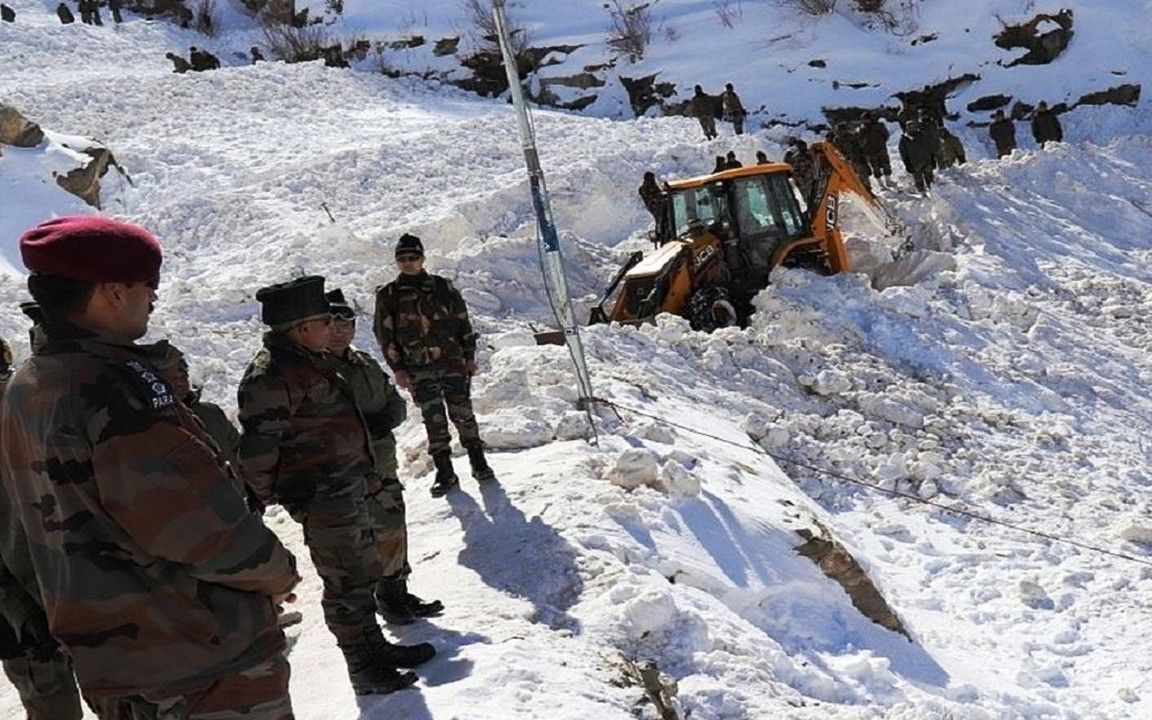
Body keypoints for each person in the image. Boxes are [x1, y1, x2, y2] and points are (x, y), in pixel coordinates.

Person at [0, 215, 301, 718]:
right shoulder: (113, 388)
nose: (153, 297)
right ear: (112, 292)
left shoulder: (28, 385)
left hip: (114, 666)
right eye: (147, 285)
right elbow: (197, 528)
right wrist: (276, 572)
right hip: (197, 661)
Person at [237, 275, 432, 695]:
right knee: (346, 587)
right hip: (323, 496)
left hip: (349, 489)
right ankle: (365, 671)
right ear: (301, 326)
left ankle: (377, 651)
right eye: (325, 320)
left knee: (361, 578)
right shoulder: (271, 377)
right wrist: (285, 497)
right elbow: (258, 451)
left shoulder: (310, 361)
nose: (333, 327)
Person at [325, 290, 444, 626]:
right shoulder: (319, 371)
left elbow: (396, 403)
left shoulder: (363, 363)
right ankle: (383, 600)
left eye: (347, 324)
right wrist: (364, 424)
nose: (341, 331)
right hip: (351, 471)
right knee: (369, 537)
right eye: (333, 324)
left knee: (394, 527)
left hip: (383, 463)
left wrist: (382, 420)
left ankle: (397, 592)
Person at [374, 235, 496, 498]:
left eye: (413, 257)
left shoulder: (443, 287)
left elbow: (462, 323)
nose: (408, 263)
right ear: (397, 262)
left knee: (463, 413)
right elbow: (385, 335)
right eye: (402, 259)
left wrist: (469, 356)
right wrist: (398, 368)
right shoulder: (389, 295)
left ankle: (478, 461)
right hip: (418, 368)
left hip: (452, 362)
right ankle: (444, 470)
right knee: (433, 419)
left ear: (422, 258)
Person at [898, 120, 934, 193]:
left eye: (914, 127)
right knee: (918, 180)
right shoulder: (904, 140)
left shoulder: (922, 135)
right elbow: (903, 153)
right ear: (907, 128)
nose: (912, 128)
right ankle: (922, 193)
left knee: (930, 178)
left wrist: (932, 158)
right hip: (914, 163)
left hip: (926, 161)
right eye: (910, 127)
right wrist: (907, 164)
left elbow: (929, 147)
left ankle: (933, 192)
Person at [859, 112, 893, 186]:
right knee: (875, 167)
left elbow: (886, 135)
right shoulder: (862, 129)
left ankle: (888, 181)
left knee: (886, 165)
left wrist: (881, 143)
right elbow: (860, 141)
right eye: (864, 120)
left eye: (866, 119)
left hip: (881, 149)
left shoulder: (879, 126)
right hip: (870, 152)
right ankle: (881, 184)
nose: (865, 121)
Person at [638, 171, 669, 245]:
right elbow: (652, 197)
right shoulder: (644, 188)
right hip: (654, 207)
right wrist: (661, 197)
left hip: (660, 205)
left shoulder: (653, 186)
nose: (653, 180)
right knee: (660, 220)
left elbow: (659, 193)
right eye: (651, 178)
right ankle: (660, 235)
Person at [784, 139, 815, 205]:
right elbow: (795, 172)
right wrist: (802, 182)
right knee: (809, 199)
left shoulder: (809, 154)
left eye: (804, 146)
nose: (804, 147)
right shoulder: (796, 158)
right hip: (804, 182)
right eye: (802, 146)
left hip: (813, 179)